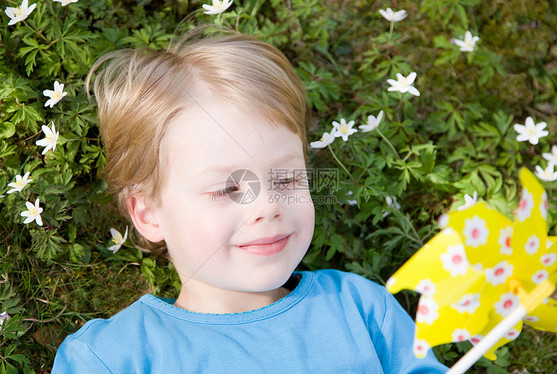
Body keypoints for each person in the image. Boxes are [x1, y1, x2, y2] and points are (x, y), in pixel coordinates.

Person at [52, 27, 448, 373]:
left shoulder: (362, 311)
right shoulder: (111, 358)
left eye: (287, 177)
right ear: (149, 214)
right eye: (227, 189)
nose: (267, 206)